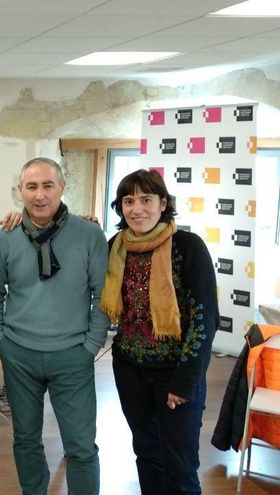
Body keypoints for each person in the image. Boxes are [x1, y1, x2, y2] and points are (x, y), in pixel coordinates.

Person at [0, 157, 109, 495]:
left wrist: (91, 345)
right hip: (19, 355)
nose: (39, 195)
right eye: (31, 187)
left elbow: (103, 294)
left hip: (73, 355)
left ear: (62, 187)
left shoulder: (89, 234)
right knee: (25, 438)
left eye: (47, 185)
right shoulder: (6, 237)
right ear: (20, 191)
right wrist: (0, 339)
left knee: (81, 445)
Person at [100, 169, 218, 494]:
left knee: (180, 466)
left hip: (175, 374)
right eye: (128, 201)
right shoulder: (115, 247)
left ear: (163, 203)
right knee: (147, 454)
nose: (137, 209)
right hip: (130, 371)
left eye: (146, 199)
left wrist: (184, 381)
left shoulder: (188, 247)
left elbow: (205, 320)